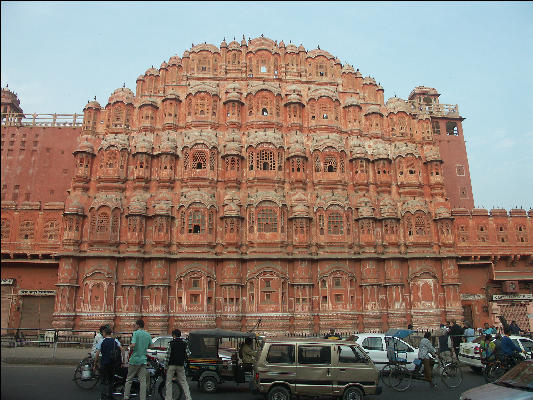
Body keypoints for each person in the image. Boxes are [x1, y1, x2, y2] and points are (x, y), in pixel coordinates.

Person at [124, 319, 152, 400]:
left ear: (138, 325)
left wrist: (128, 347)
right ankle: (143, 398)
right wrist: (144, 346)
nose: (134, 326)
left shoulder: (135, 333)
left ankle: (126, 396)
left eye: (135, 325)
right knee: (143, 381)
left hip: (135, 359)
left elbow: (133, 344)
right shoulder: (147, 334)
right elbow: (152, 346)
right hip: (143, 360)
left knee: (129, 379)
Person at [94, 326, 122, 400]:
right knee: (111, 380)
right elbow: (121, 349)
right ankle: (110, 396)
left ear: (104, 333)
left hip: (104, 363)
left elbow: (97, 353)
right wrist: (122, 360)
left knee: (103, 380)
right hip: (112, 363)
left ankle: (103, 396)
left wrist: (95, 363)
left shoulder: (102, 341)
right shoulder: (115, 340)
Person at [164, 329, 191, 400]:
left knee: (169, 382)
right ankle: (188, 397)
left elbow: (167, 356)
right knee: (184, 382)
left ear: (174, 335)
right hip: (180, 365)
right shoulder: (185, 343)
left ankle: (169, 398)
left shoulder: (171, 343)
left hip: (171, 365)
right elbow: (188, 354)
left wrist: (165, 366)